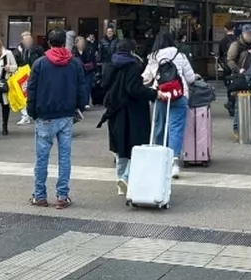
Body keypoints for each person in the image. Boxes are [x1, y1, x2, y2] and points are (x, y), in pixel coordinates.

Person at [98, 38, 167, 195]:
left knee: (120, 147)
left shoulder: (109, 65)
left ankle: (120, 181)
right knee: (136, 147)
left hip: (114, 110)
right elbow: (134, 89)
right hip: (133, 111)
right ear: (132, 51)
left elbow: (104, 85)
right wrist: (154, 93)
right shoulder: (133, 66)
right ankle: (126, 177)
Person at [27, 28, 87, 209]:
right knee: (65, 157)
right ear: (65, 42)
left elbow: (32, 90)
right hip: (66, 115)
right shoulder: (74, 63)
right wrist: (79, 106)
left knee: (42, 158)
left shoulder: (40, 63)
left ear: (49, 42)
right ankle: (62, 195)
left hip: (45, 115)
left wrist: (32, 112)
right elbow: (81, 88)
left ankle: (40, 195)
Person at [142, 31, 197, 179]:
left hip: (160, 95)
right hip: (179, 95)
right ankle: (174, 163)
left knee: (159, 126)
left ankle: (159, 159)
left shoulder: (153, 57)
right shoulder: (180, 55)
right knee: (176, 128)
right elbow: (190, 78)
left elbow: (146, 78)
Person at [225, 24, 251, 144]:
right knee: (239, 104)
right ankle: (237, 128)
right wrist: (239, 70)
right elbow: (230, 60)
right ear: (243, 34)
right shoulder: (236, 45)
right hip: (241, 78)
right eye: (249, 34)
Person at [13, 32, 44, 125]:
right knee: (22, 96)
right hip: (22, 76)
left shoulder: (38, 50)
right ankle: (25, 115)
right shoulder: (17, 51)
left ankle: (37, 113)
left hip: (35, 75)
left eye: (29, 39)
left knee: (35, 95)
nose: (28, 41)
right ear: (22, 41)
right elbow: (16, 62)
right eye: (25, 39)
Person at [75, 35, 97, 109]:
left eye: (82, 42)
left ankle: (86, 102)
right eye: (79, 42)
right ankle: (79, 102)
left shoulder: (88, 49)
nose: (81, 44)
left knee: (87, 86)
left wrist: (95, 69)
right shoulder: (73, 51)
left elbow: (93, 60)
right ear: (76, 43)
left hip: (88, 71)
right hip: (78, 71)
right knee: (79, 86)